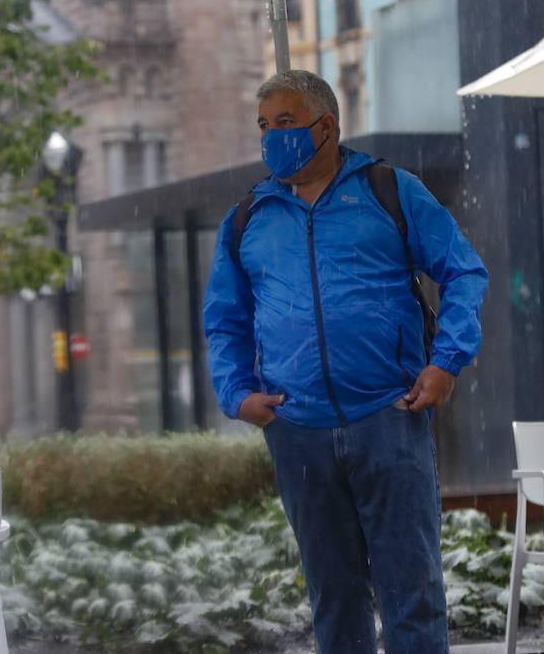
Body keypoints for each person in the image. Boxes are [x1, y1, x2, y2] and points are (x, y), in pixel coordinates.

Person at [204, 69, 488, 654]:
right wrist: (237, 395)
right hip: (296, 430)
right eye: (264, 126)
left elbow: (464, 272)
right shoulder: (247, 217)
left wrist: (446, 363)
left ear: (325, 124)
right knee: (334, 596)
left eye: (285, 122)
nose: (272, 137)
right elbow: (224, 318)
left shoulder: (391, 190)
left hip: (390, 416)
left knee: (411, 589)